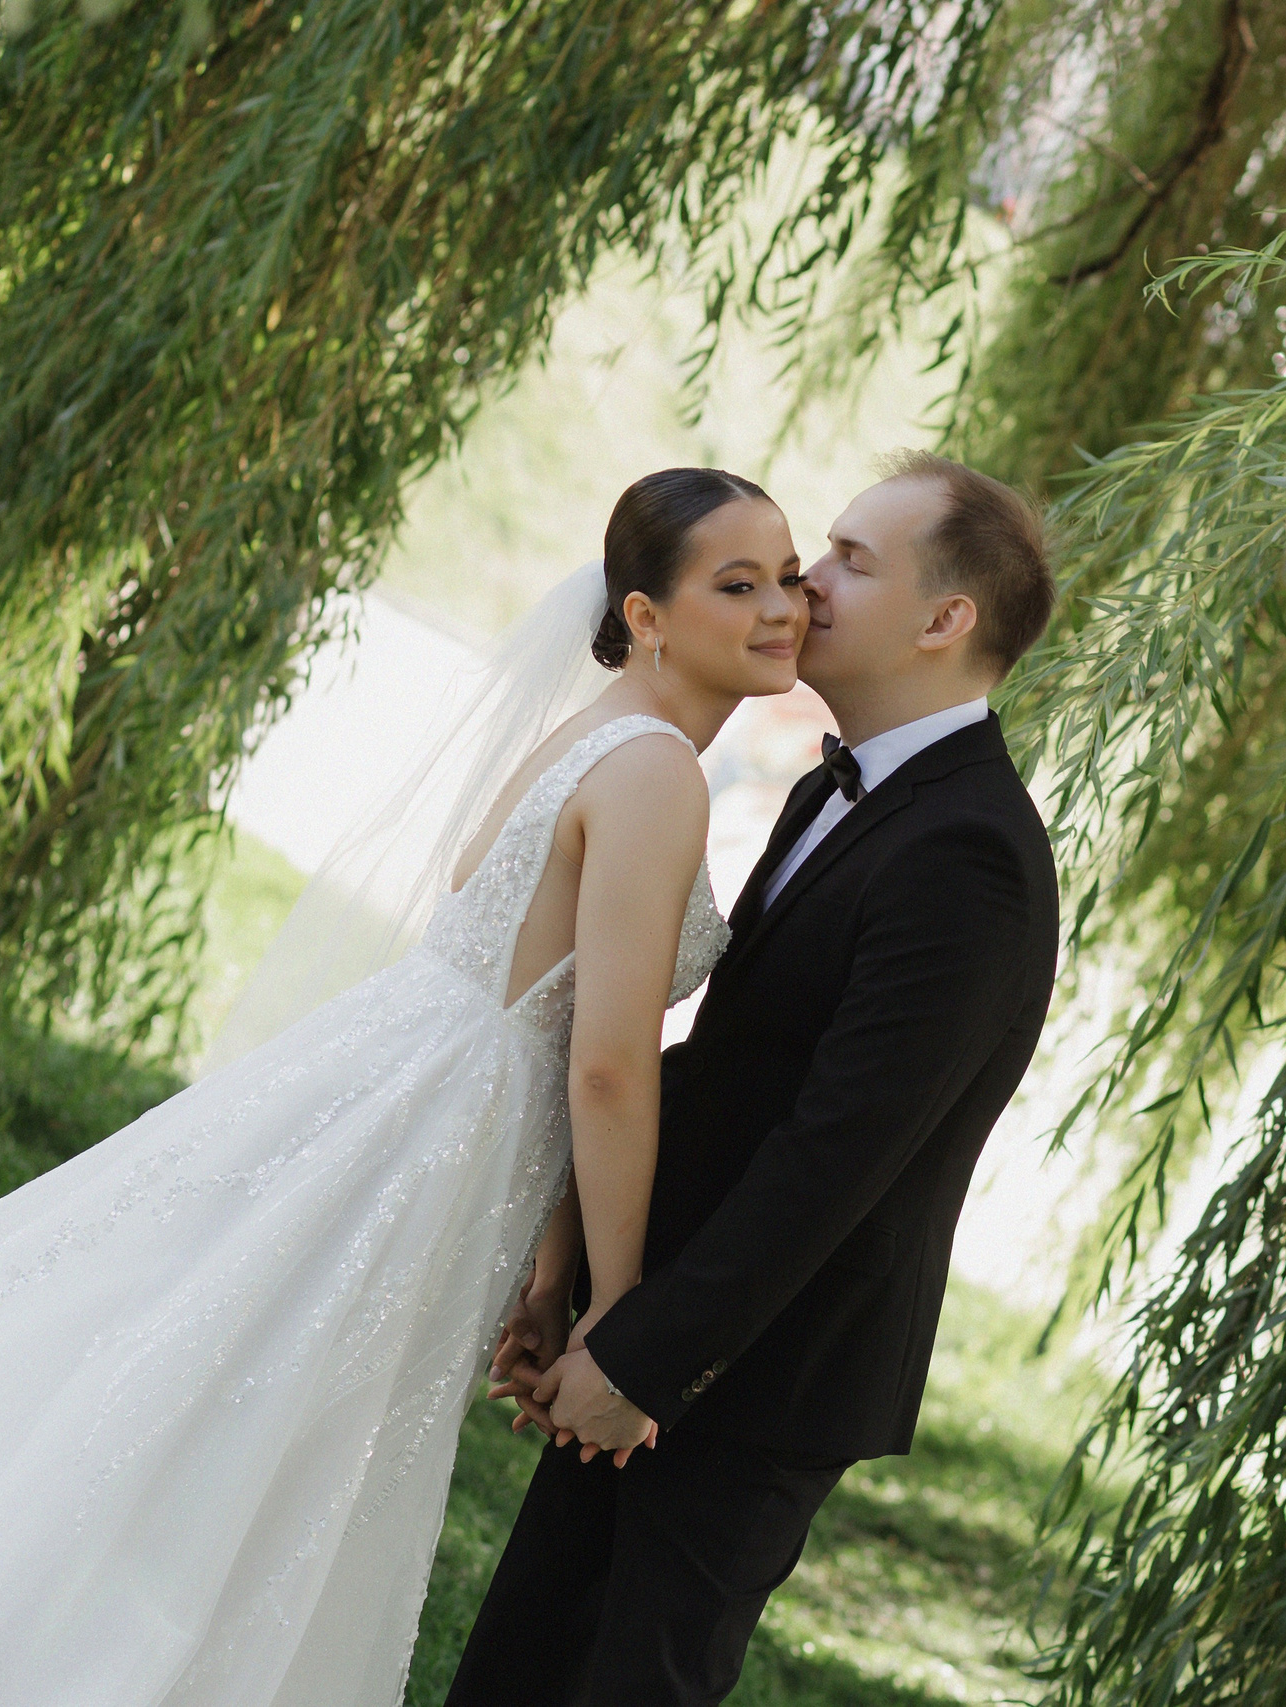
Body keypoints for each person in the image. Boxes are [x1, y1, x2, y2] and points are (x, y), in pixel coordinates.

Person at [0, 468, 802, 1707]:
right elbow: (606, 1064)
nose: (782, 607)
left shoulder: (600, 735)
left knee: (215, 1394)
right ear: (648, 612)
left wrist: (553, 1262)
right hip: (430, 1138)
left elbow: (552, 1013)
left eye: (787, 576)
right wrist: (620, 1312)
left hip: (418, 1094)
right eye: (739, 584)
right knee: (258, 1430)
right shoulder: (659, 771)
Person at [446, 451, 1062, 1706]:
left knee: (633, 1681)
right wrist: (574, 1276)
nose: (805, 584)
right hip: (664, 1308)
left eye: (848, 560)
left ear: (947, 622)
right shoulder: (835, 789)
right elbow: (718, 1073)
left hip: (761, 1366)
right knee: (520, 1661)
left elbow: (837, 1154)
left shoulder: (971, 855)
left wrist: (644, 1358)